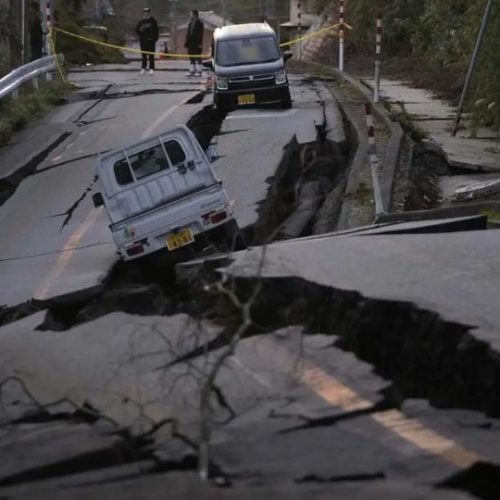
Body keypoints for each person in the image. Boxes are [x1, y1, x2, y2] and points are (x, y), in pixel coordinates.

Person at [135, 7, 158, 75]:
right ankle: (143, 68)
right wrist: (140, 31)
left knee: (151, 56)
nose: (145, 14)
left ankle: (151, 68)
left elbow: (156, 31)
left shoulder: (153, 21)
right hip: (143, 41)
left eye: (147, 12)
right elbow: (137, 30)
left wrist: (154, 39)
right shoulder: (141, 21)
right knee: (144, 55)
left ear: (149, 13)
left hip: (151, 40)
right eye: (144, 12)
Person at [184, 9, 204, 76]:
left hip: (196, 43)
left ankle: (199, 71)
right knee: (191, 57)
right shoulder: (190, 23)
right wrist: (187, 43)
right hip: (190, 43)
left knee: (198, 57)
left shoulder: (200, 23)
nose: (190, 16)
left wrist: (200, 44)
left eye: (191, 14)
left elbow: (200, 35)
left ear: (195, 15)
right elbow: (188, 34)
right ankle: (192, 70)